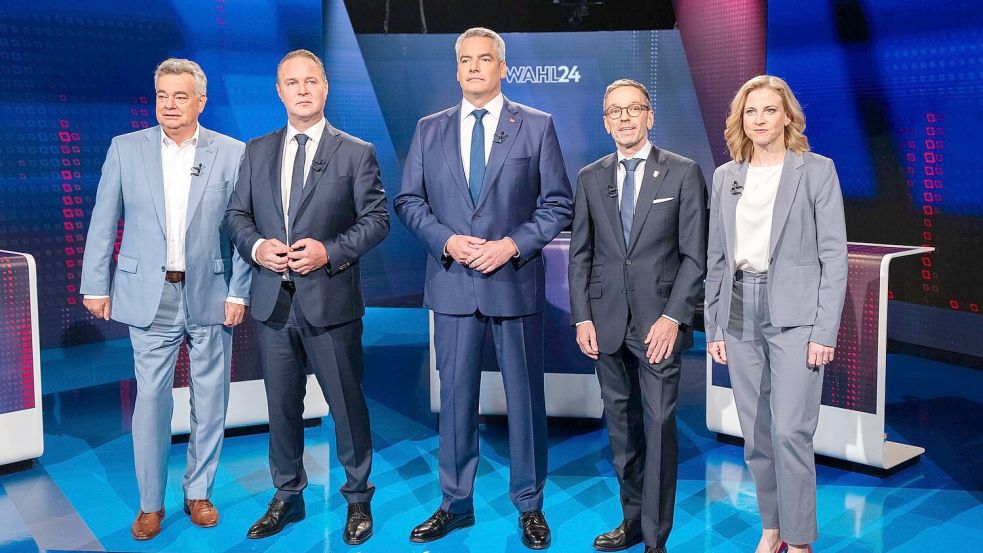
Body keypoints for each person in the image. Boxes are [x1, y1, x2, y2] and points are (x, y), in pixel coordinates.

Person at [394, 27, 573, 550]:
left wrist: (511, 246)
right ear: (456, 70)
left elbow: (557, 204)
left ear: (502, 67)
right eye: (465, 60)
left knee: (523, 399)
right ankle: (455, 503)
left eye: (484, 59)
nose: (474, 67)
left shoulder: (536, 126)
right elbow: (408, 202)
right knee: (455, 400)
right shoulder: (429, 129)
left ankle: (530, 505)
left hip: (512, 282)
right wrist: (447, 240)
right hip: (452, 283)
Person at [80, 58, 249, 540]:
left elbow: (242, 229)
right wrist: (96, 283)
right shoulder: (125, 149)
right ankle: (150, 504)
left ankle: (199, 493)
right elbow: (103, 217)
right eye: (161, 96)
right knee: (151, 401)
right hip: (147, 296)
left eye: (179, 96)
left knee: (210, 398)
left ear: (200, 101)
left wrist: (239, 289)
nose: (169, 105)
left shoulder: (231, 152)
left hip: (212, 293)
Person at [224, 49, 389, 544]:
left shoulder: (355, 151)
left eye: (310, 81)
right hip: (273, 302)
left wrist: (328, 251)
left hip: (331, 301)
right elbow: (237, 216)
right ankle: (288, 494)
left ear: (325, 87)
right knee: (282, 407)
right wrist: (256, 246)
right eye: (291, 83)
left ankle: (358, 498)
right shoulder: (256, 150)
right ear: (279, 91)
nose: (301, 90)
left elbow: (377, 221)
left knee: (346, 405)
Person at [704, 75, 847, 553]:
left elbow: (834, 257)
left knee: (790, 431)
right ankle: (772, 528)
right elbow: (717, 258)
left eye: (769, 109)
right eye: (751, 111)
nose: (760, 119)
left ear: (787, 115)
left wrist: (824, 329)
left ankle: (800, 538)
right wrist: (715, 324)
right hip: (739, 311)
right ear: (740, 121)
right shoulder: (727, 177)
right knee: (756, 435)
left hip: (798, 316)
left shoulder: (817, 170)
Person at [568, 79, 707, 553]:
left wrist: (674, 317)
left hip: (659, 325)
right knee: (621, 428)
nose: (625, 118)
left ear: (651, 116)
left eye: (634, 109)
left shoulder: (683, 173)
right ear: (605, 122)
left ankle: (654, 538)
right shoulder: (590, 177)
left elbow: (695, 256)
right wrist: (582, 317)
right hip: (605, 323)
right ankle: (630, 522)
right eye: (615, 112)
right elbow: (580, 255)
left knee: (660, 427)